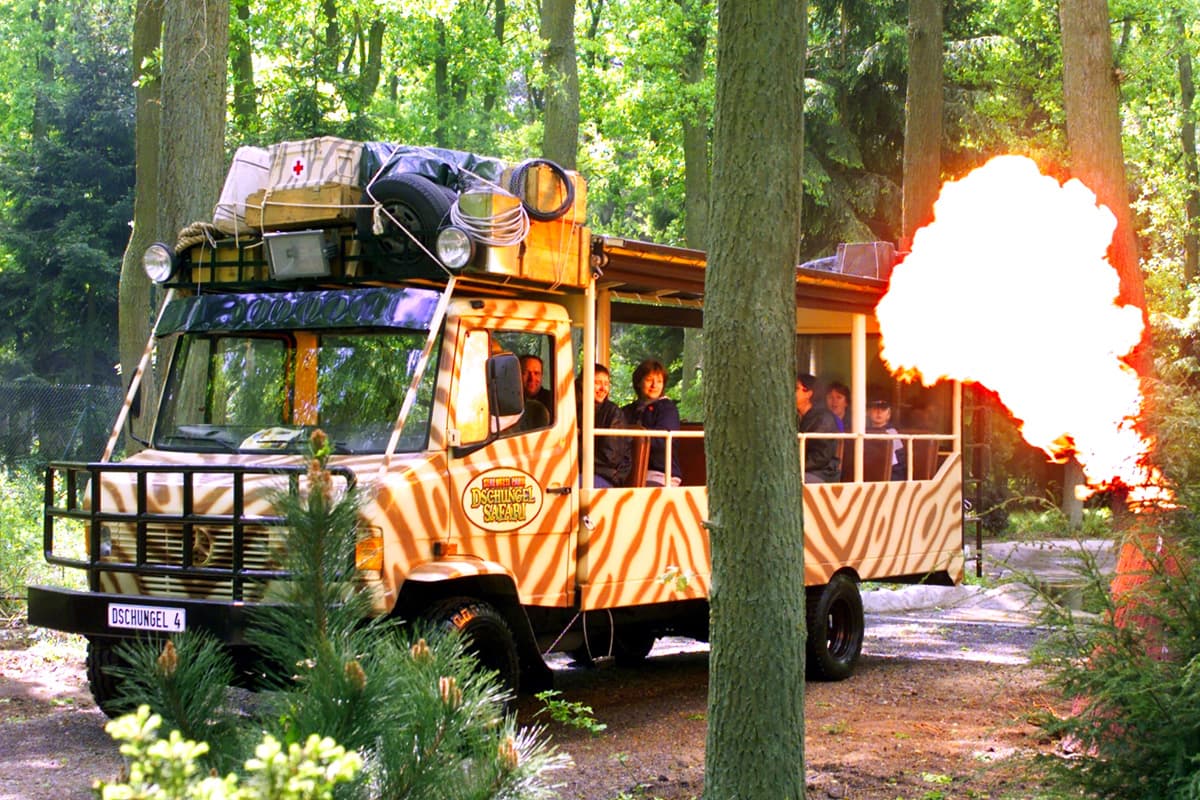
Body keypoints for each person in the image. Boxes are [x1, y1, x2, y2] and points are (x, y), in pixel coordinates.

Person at [622, 359, 683, 486]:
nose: (654, 385)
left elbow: (662, 440)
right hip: (627, 471)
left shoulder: (667, 409)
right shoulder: (628, 410)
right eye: (650, 380)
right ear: (639, 382)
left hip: (660, 473)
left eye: (659, 381)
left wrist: (631, 438)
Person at [576, 364, 631, 487]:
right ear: (582, 384)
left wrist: (574, 449)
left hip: (607, 475)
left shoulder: (613, 413)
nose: (603, 388)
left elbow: (610, 457)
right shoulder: (577, 408)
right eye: (597, 383)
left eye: (606, 384)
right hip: (582, 471)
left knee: (570, 485)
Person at [796, 373, 841, 483]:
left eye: (796, 388)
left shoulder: (824, 419)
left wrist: (793, 467)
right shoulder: (796, 417)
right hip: (802, 469)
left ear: (809, 393)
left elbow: (820, 456)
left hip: (821, 472)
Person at [866, 397, 907, 480]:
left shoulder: (892, 433)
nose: (879, 412)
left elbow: (899, 463)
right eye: (875, 409)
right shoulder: (863, 431)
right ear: (868, 413)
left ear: (888, 415)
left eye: (883, 409)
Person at [519, 354, 553, 426]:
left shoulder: (553, 401)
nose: (532, 378)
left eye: (536, 373)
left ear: (541, 376)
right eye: (526, 373)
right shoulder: (507, 402)